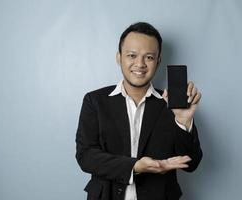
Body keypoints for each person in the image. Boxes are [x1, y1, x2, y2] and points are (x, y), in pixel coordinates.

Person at [76, 22, 203, 200]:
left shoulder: (171, 104)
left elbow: (191, 164)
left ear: (158, 61)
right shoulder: (95, 101)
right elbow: (86, 156)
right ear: (119, 57)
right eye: (132, 55)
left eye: (149, 57)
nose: (140, 64)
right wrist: (134, 166)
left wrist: (183, 122)